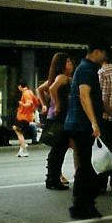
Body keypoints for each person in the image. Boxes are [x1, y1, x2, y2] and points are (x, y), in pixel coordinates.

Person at [64, 42, 109, 219]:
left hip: (80, 124)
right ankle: (82, 205)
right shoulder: (86, 69)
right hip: (82, 125)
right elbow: (84, 96)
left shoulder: (87, 68)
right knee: (87, 167)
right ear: (96, 51)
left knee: (86, 166)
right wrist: (94, 123)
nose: (105, 57)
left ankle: (83, 204)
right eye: (103, 53)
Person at [37, 53, 74, 190]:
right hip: (61, 116)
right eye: (68, 61)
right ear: (62, 65)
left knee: (57, 149)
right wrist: (57, 103)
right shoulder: (62, 77)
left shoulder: (56, 77)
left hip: (56, 116)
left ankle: (52, 178)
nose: (71, 64)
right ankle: (53, 179)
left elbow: (40, 89)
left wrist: (45, 105)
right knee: (59, 148)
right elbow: (51, 89)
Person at [98, 52, 112, 192]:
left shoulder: (102, 73)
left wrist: (111, 113)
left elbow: (102, 100)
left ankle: (101, 184)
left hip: (106, 118)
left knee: (104, 152)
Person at [12, 82, 38, 157]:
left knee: (18, 130)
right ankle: (22, 148)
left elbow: (29, 103)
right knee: (16, 129)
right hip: (27, 116)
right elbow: (36, 103)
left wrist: (23, 105)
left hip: (24, 117)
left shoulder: (26, 93)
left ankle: (24, 149)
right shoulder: (30, 92)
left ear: (20, 86)